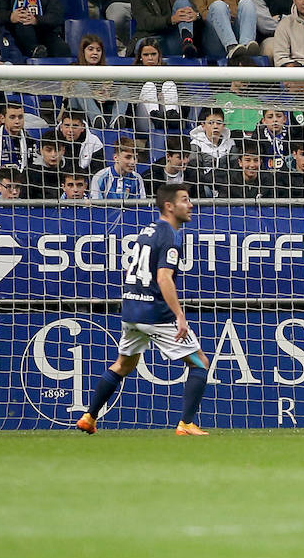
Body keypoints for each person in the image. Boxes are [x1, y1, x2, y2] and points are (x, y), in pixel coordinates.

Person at [75, 183, 211, 435]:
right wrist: (179, 315)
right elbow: (163, 278)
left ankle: (89, 417)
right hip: (155, 313)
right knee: (200, 363)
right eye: (184, 200)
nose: (190, 204)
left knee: (123, 365)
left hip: (131, 310)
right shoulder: (170, 234)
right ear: (169, 206)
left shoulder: (147, 230)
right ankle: (186, 424)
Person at [131, 39, 183, 132]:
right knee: (149, 86)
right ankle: (155, 116)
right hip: (143, 118)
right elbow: (130, 101)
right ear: (140, 57)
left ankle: (172, 116)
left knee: (169, 84)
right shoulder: (133, 74)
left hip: (166, 113)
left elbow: (183, 95)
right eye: (146, 55)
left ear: (159, 55)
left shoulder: (169, 72)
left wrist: (161, 98)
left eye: (153, 54)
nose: (150, 58)